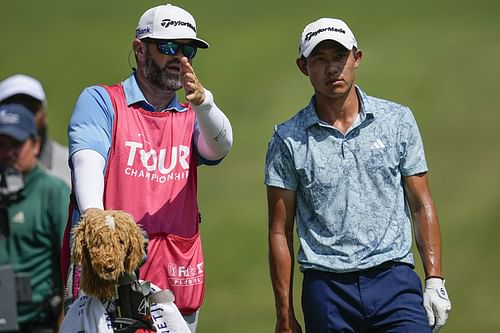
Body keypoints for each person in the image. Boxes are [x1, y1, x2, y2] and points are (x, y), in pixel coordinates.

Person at [265, 18, 451, 333]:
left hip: (395, 281)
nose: (331, 68)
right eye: (319, 59)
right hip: (326, 289)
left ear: (357, 58)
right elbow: (279, 231)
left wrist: (434, 278)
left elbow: (421, 203)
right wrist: (285, 314)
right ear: (303, 66)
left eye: (339, 57)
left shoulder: (397, 121)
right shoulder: (288, 139)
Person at [62, 3, 233, 332]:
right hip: (111, 278)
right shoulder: (101, 102)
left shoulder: (191, 115)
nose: (179, 59)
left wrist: (204, 103)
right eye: (168, 47)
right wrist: (97, 220)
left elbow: (220, 146)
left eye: (187, 50)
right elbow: (86, 161)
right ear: (140, 50)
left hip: (174, 281)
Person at [0, 104, 70, 332]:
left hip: (40, 323)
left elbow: (71, 266)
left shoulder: (53, 192)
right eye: (2, 145)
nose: (8, 153)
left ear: (36, 144)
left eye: (16, 145)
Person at [0, 74, 72, 186]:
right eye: (12, 109)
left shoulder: (73, 164)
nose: (22, 116)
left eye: (31, 108)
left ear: (45, 116)